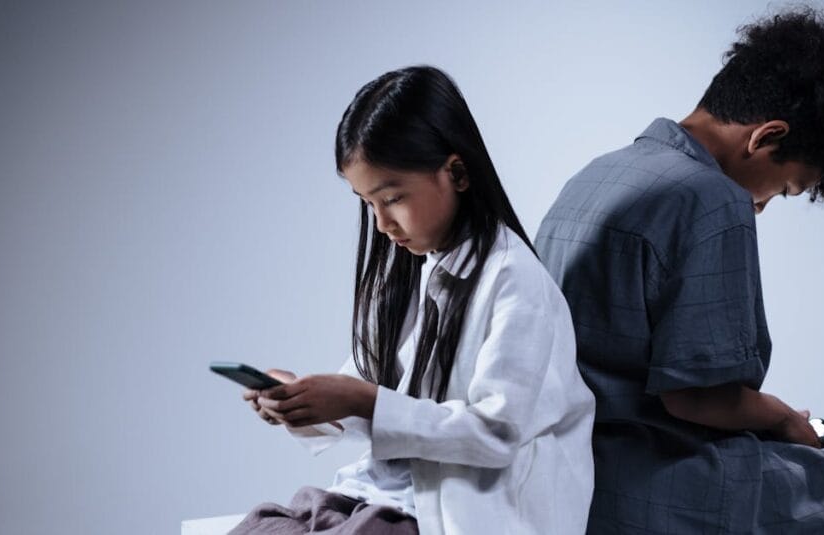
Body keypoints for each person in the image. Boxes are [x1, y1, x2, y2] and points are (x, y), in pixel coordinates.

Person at [535, 7, 824, 534]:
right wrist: (781, 417)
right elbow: (694, 396)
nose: (766, 204)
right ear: (766, 137)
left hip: (568, 473)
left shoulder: (597, 174)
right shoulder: (709, 198)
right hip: (655, 483)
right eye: (785, 188)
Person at [230, 66, 595, 535]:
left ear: (456, 172)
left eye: (393, 197)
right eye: (367, 203)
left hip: (459, 509)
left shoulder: (515, 280)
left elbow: (494, 433)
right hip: (388, 493)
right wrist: (300, 399)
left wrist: (364, 400)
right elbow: (366, 390)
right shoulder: (416, 273)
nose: (382, 223)